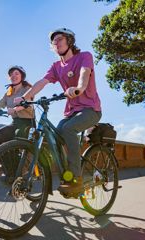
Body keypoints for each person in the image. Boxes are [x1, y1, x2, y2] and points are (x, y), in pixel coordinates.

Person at [14, 28, 102, 195]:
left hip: (91, 109)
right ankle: (66, 172)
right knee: (56, 134)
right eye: (54, 41)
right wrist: (25, 98)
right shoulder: (56, 66)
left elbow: (85, 73)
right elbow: (42, 81)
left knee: (68, 129)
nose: (57, 43)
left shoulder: (84, 56)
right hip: (71, 112)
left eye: (60, 39)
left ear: (69, 40)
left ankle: (75, 178)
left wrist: (79, 88)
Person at [0, 66, 35, 180]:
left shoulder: (27, 88)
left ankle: (20, 168)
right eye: (11, 74)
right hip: (15, 122)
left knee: (15, 141)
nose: (13, 76)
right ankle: (9, 167)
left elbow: (28, 103)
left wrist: (15, 109)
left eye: (16, 73)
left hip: (27, 123)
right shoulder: (8, 93)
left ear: (21, 76)